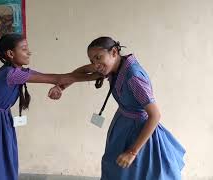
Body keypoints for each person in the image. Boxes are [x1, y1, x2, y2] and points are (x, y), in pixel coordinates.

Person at [0, 33, 102, 180]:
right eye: (24, 49)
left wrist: (94, 68)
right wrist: (96, 75)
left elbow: (62, 77)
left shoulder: (15, 71)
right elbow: (58, 78)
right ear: (10, 53)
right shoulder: (12, 74)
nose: (29, 52)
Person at [49, 37, 185, 180]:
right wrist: (61, 87)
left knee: (137, 173)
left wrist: (132, 152)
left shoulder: (133, 77)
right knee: (115, 169)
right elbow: (83, 72)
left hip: (139, 134)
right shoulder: (116, 67)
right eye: (92, 60)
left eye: (98, 57)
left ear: (114, 52)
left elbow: (155, 115)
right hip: (123, 126)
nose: (95, 64)